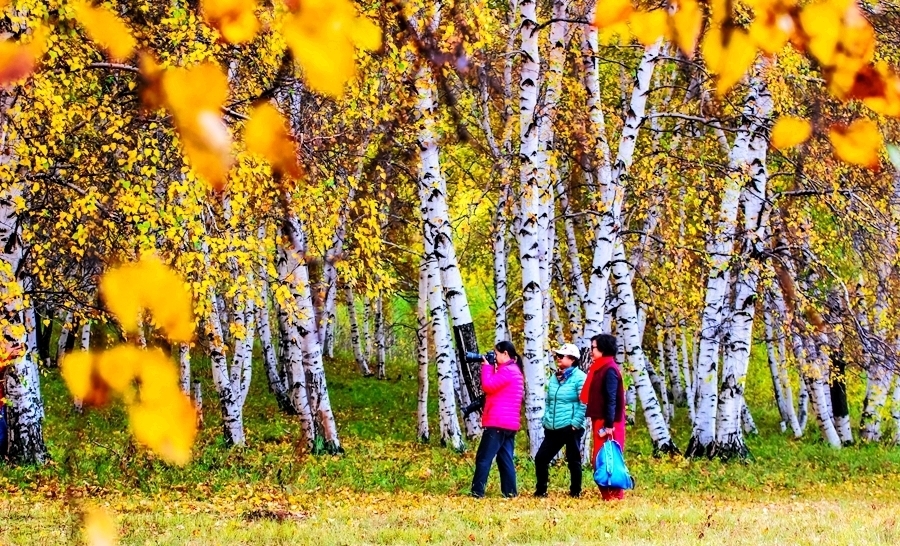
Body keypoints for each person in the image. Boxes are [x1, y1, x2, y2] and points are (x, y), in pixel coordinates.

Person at [470, 340, 524, 498]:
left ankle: (477, 492)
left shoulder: (508, 371)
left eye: (497, 353)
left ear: (505, 354)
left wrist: (486, 367)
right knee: (504, 458)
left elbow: (488, 386)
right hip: (509, 424)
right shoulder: (514, 370)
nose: (495, 356)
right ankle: (510, 492)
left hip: (498, 422)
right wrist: (494, 367)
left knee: (484, 457)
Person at [534, 342, 587, 498]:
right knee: (541, 458)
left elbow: (584, 402)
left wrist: (575, 424)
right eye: (557, 355)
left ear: (572, 359)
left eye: (561, 356)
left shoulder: (580, 378)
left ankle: (575, 491)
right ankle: (541, 490)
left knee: (573, 459)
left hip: (570, 426)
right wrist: (546, 419)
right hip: (552, 426)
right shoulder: (554, 377)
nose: (557, 358)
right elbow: (550, 401)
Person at [581, 333, 626, 501]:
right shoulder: (599, 368)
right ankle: (608, 497)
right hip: (601, 419)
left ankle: (615, 498)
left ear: (603, 348)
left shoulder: (609, 370)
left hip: (610, 423)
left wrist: (608, 425)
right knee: (600, 459)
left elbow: (611, 398)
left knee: (609, 459)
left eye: (593, 347)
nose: (591, 351)